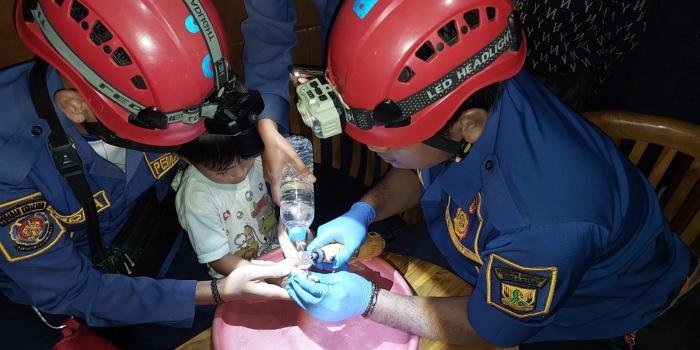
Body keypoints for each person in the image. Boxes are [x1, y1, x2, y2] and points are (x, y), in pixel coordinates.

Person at [285, 0, 699, 349]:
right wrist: (363, 212)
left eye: (388, 143)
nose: (374, 150)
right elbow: (419, 165)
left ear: (469, 125)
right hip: (479, 247)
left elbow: (490, 328)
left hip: (598, 311)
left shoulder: (547, 219)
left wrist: (369, 303)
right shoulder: (475, 85)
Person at [1, 1, 295, 349]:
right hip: (66, 291)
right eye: (163, 128)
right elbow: (76, 290)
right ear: (75, 106)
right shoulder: (12, 164)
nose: (183, 133)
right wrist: (218, 291)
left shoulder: (175, 86)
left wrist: (273, 145)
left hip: (156, 237)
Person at [175, 133, 301, 278]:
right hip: (237, 273)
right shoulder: (197, 199)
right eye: (221, 172)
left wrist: (294, 223)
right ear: (189, 160)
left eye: (245, 158)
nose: (239, 173)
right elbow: (218, 260)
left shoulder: (254, 155)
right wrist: (268, 273)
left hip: (275, 246)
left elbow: (288, 187)